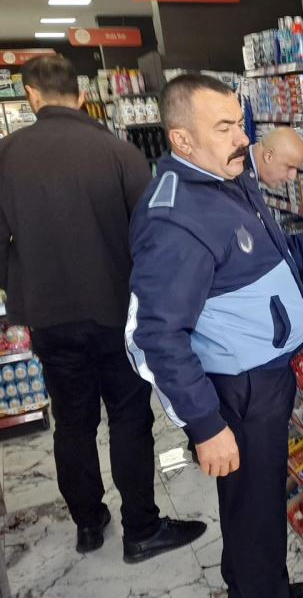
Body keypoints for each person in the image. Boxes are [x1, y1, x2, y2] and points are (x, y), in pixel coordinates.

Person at [126, 74, 303, 598]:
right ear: (181, 139)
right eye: (224, 127)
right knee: (252, 504)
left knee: (254, 504)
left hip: (263, 378)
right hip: (240, 389)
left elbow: (273, 255)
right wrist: (207, 426)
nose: (241, 138)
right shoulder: (175, 218)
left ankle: (262, 585)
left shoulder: (225, 177)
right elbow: (158, 336)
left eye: (240, 123)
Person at [0, 55, 205, 561]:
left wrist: (18, 290)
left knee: (72, 422)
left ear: (32, 96)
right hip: (116, 312)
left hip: (49, 316)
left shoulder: (5, 155)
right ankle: (141, 529)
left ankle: (89, 525)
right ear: (81, 93)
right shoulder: (118, 151)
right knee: (129, 420)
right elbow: (153, 238)